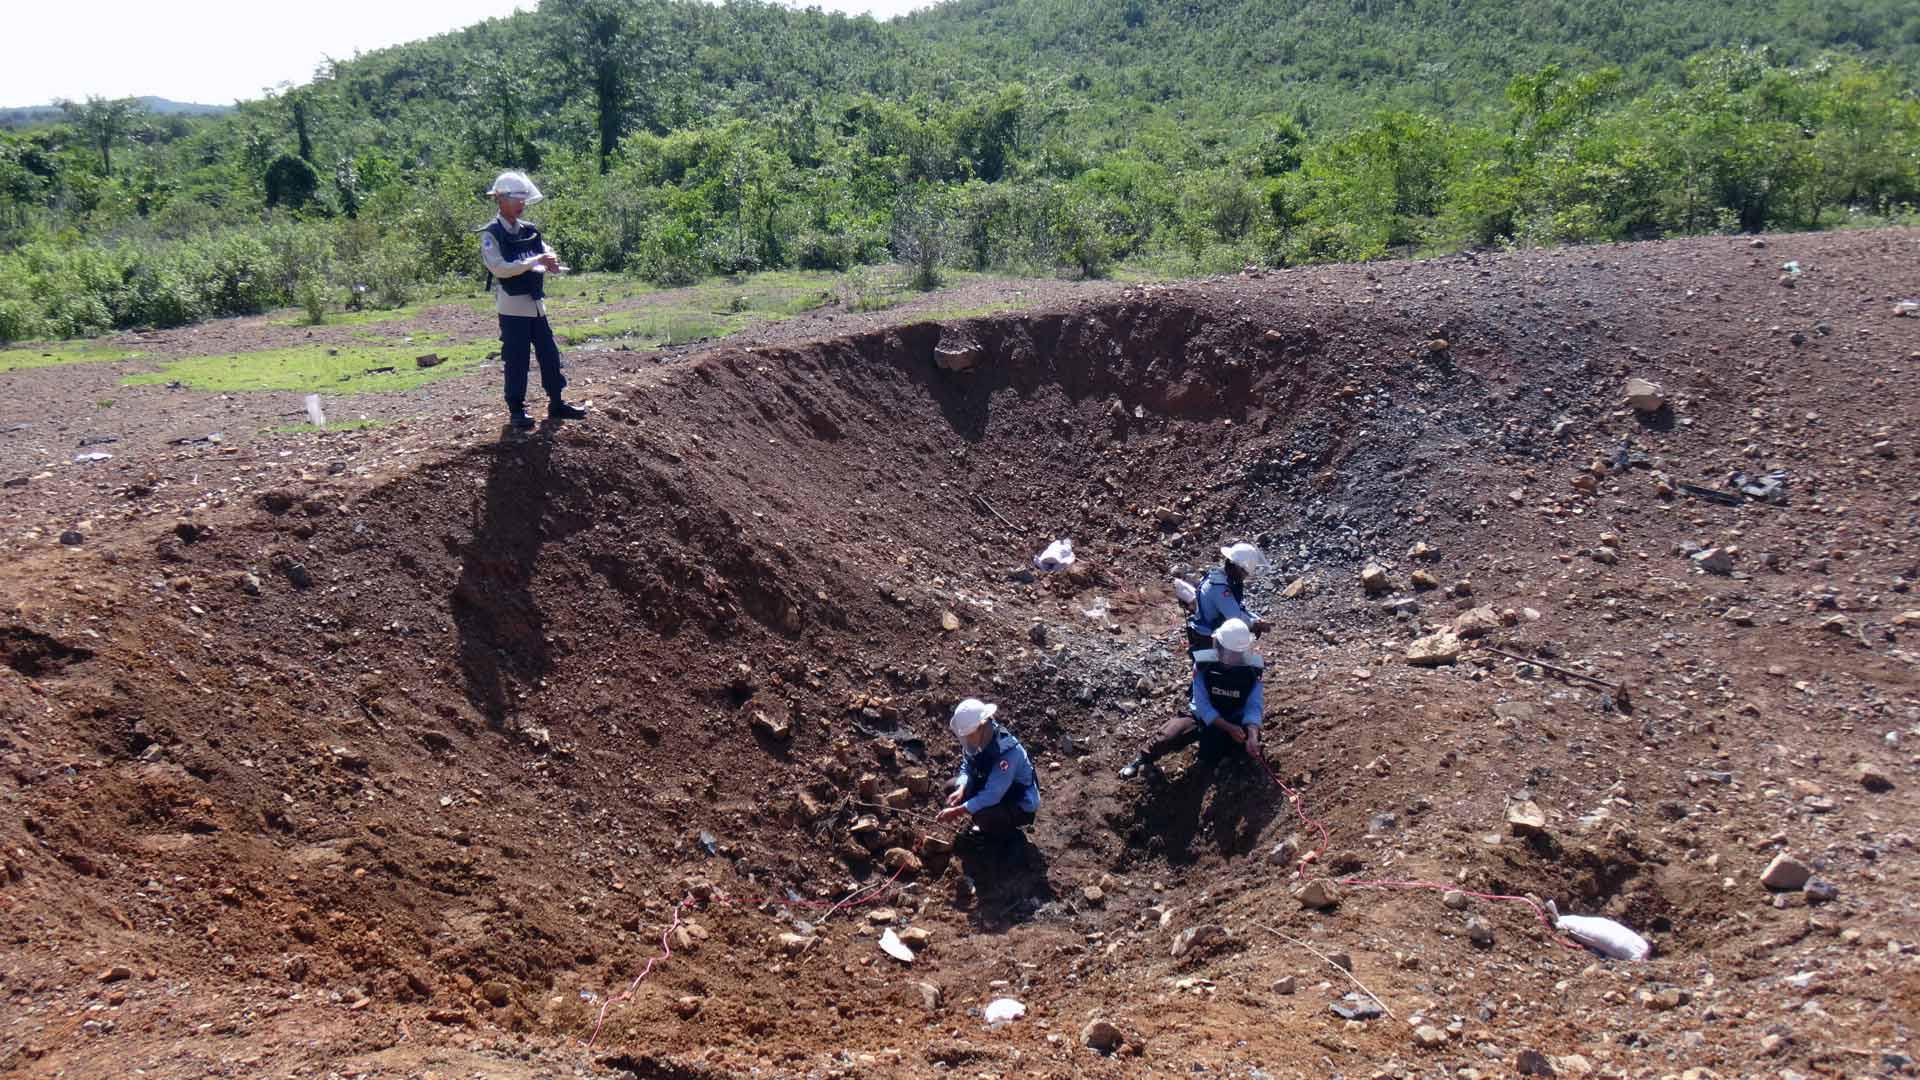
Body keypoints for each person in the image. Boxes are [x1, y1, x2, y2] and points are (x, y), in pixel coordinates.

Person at [478, 170, 588, 431]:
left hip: (536, 305)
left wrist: (549, 260)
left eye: (523, 199)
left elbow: (545, 250)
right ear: (500, 199)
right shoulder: (491, 234)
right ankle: (517, 411)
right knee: (516, 360)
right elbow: (501, 268)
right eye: (516, 198)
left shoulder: (529, 230)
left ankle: (557, 401)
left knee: (549, 355)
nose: (521, 204)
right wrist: (534, 262)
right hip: (513, 308)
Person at [1120, 618, 1263, 779]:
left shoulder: (1252, 671)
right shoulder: (1203, 665)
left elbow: (1254, 705)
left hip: (1236, 718)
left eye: (1237, 654)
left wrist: (1251, 733)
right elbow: (1202, 704)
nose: (1232, 659)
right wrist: (1227, 727)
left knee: (1243, 752)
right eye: (1229, 653)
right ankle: (1142, 759)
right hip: (1202, 717)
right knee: (1168, 736)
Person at [937, 698, 1040, 837]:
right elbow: (967, 765)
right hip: (997, 788)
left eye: (970, 735)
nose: (967, 740)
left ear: (982, 725)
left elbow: (992, 795)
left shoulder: (1007, 753)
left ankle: (1003, 836)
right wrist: (961, 788)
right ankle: (987, 821)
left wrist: (959, 811)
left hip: (1018, 802)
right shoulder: (980, 739)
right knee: (952, 787)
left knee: (982, 815)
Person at [1185, 543, 1267, 657]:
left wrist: (1255, 619)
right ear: (1237, 568)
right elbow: (1235, 618)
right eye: (1244, 573)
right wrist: (1254, 624)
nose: (1244, 577)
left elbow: (1236, 607)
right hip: (1208, 639)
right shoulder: (1220, 589)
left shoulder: (1219, 578)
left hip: (1210, 632)